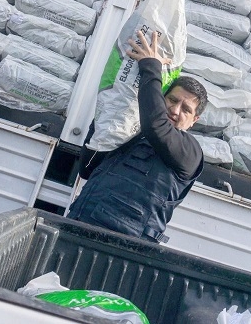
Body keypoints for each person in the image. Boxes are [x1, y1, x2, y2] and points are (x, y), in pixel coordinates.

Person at [67, 30, 208, 244]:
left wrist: (151, 67)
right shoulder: (132, 134)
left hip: (124, 249)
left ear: (193, 120)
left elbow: (156, 125)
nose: (175, 110)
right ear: (162, 98)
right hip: (79, 225)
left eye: (186, 109)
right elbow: (87, 169)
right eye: (172, 100)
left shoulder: (190, 152)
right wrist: (104, 120)